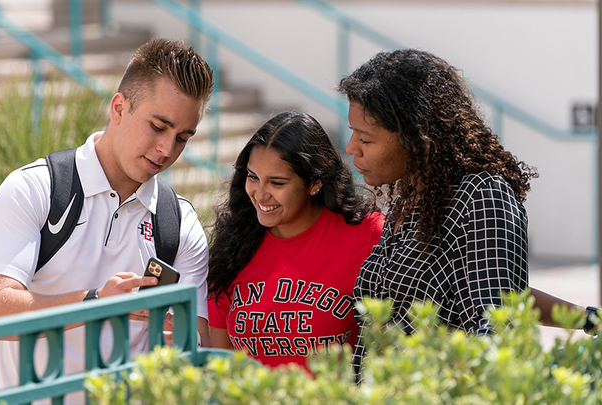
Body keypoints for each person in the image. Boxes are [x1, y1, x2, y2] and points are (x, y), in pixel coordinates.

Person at [0, 38, 214, 401]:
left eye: (182, 137)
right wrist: (95, 304)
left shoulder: (179, 223)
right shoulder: (33, 188)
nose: (167, 150)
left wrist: (177, 337)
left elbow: (196, 342)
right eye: (158, 126)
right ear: (119, 107)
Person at [337, 49, 540, 370]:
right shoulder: (410, 196)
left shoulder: (481, 196)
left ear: (416, 137)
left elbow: (497, 323)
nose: (351, 148)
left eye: (365, 138)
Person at [206, 111, 385, 370]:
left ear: (314, 183)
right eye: (253, 177)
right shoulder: (231, 248)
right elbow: (220, 365)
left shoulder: (369, 236)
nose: (259, 194)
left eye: (277, 183)